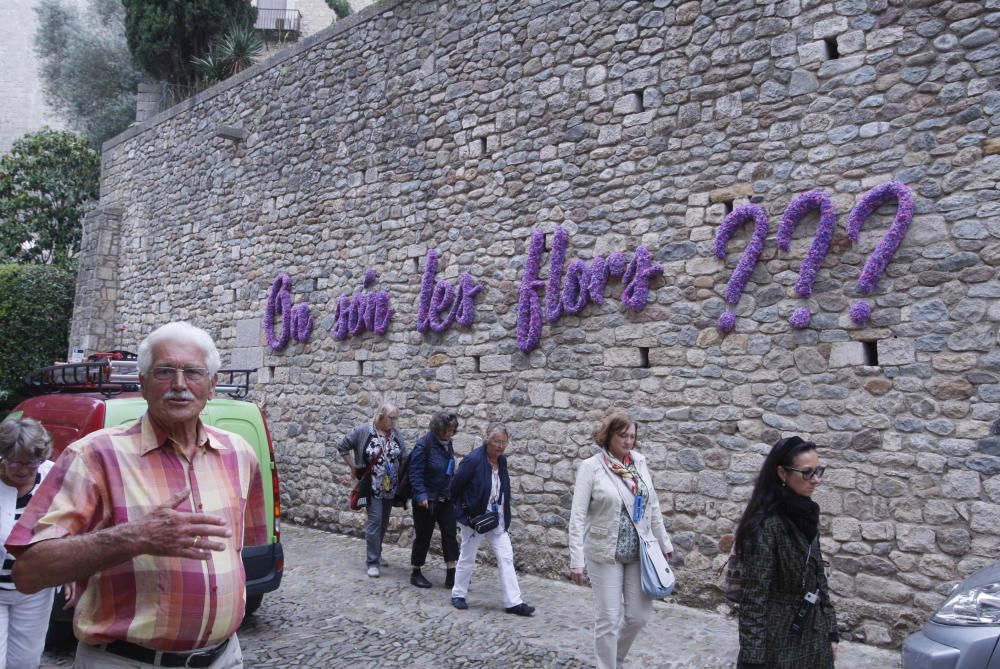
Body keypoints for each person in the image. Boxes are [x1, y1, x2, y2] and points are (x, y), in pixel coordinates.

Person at [6, 321, 266, 669]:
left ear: (212, 385)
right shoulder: (93, 456)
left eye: (192, 372)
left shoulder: (240, 453)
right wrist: (136, 536)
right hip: (126, 661)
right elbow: (29, 571)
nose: (179, 384)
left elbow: (238, 552)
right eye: (164, 371)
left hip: (224, 657)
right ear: (142, 383)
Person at [568, 409, 674, 669]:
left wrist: (665, 543)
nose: (628, 442)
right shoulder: (591, 468)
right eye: (622, 436)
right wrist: (576, 559)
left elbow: (653, 506)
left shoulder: (639, 462)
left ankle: (615, 658)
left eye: (632, 436)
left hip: (639, 552)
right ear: (609, 436)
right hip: (605, 553)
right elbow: (578, 516)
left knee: (638, 616)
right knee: (609, 618)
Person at [734, 435, 838, 669]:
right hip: (777, 641)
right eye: (807, 473)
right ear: (782, 473)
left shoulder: (807, 514)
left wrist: (831, 632)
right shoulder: (766, 524)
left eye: (819, 471)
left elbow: (818, 575)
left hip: (814, 636)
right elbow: (753, 598)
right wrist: (753, 660)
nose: (815, 480)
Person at [449, 423, 534, 616]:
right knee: (468, 556)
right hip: (474, 519)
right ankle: (458, 594)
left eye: (504, 442)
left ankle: (513, 602)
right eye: (497, 441)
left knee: (506, 557)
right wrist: (465, 511)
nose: (500, 446)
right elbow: (455, 487)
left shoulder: (501, 462)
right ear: (488, 440)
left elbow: (502, 488)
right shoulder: (473, 460)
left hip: (496, 519)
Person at [0, 418, 57, 669]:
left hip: (35, 589)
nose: (23, 469)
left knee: (26, 661)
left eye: (32, 462)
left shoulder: (54, 477)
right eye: (14, 461)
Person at [337, 403, 407, 578]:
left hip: (390, 487)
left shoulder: (396, 435)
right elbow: (342, 445)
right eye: (391, 418)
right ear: (381, 416)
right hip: (372, 486)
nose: (394, 421)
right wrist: (353, 467)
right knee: (374, 521)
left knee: (383, 522)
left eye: (395, 418)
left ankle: (378, 552)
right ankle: (372, 561)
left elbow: (404, 457)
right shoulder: (363, 431)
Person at [408, 411, 460, 589]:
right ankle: (416, 571)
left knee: (450, 534)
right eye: (446, 430)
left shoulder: (448, 444)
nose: (449, 434)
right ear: (438, 429)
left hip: (445, 498)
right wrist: (421, 495)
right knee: (423, 536)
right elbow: (415, 473)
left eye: (452, 430)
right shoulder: (424, 445)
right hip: (427, 501)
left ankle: (452, 574)